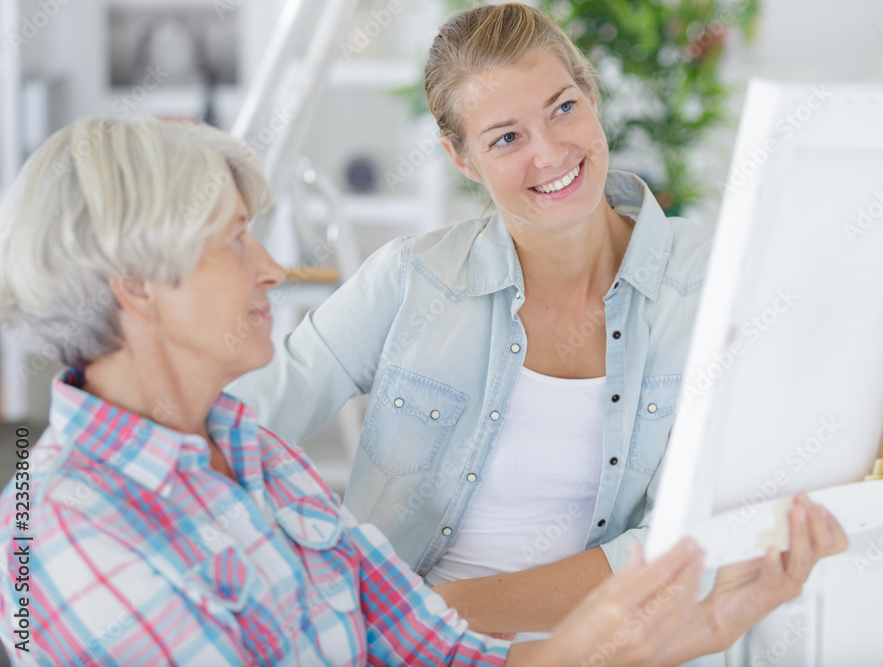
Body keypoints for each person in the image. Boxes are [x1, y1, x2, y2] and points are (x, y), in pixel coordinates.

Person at [0, 114, 789, 666]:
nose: (272, 267)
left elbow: (434, 650)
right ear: (136, 285)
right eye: (234, 239)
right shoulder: (57, 532)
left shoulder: (256, 456)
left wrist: (699, 625)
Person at [228, 0, 848, 648]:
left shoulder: (713, 284)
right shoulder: (414, 279)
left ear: (591, 94)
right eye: (506, 137)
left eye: (562, 108)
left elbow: (681, 540)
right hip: (416, 651)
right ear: (461, 157)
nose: (551, 152)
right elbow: (243, 419)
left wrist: (435, 607)